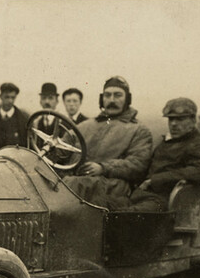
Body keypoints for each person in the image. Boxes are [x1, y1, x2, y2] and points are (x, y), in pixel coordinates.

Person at [63, 76, 154, 210]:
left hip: (112, 188)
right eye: (107, 95)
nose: (111, 100)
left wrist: (103, 168)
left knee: (71, 187)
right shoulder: (84, 127)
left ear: (127, 99)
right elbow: (61, 148)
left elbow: (138, 163)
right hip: (78, 182)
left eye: (118, 95)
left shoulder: (139, 130)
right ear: (102, 99)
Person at [119, 98, 200, 212]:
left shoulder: (198, 144)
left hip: (163, 203)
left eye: (180, 119)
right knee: (102, 204)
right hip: (139, 197)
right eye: (171, 119)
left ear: (193, 120)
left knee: (122, 215)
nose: (173, 124)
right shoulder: (166, 143)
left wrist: (155, 180)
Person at [0, 82, 30, 147]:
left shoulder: (23, 119)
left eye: (13, 97)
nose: (10, 101)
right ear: (0, 96)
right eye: (7, 97)